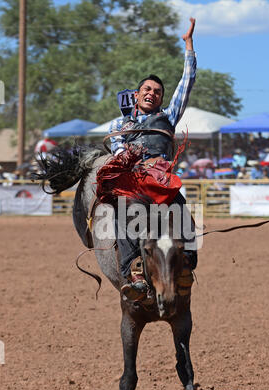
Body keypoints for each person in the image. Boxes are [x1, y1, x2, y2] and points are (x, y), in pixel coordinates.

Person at [98, 18, 197, 301]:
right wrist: (131, 158)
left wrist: (188, 46)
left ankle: (186, 264)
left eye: (157, 92)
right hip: (135, 182)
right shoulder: (119, 125)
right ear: (136, 94)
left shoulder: (168, 116)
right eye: (147, 90)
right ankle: (135, 271)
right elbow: (117, 152)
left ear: (161, 99)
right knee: (121, 213)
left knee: (183, 208)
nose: (152, 93)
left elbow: (187, 82)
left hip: (163, 181)